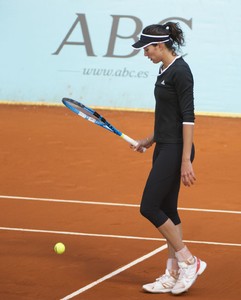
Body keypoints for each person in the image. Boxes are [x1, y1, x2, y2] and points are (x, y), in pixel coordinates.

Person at [131, 22, 207, 295]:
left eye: (147, 48)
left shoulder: (181, 72)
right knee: (169, 210)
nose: (145, 54)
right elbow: (167, 116)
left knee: (149, 206)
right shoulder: (163, 70)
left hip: (177, 150)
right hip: (164, 146)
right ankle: (172, 272)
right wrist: (149, 140)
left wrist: (186, 160)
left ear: (160, 45)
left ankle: (189, 261)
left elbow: (188, 118)